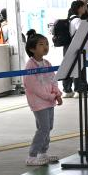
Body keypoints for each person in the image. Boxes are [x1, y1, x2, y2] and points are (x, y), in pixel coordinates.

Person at [22, 33, 62, 166]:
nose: (45, 47)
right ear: (32, 49)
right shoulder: (30, 66)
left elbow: (53, 80)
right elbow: (33, 86)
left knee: (48, 127)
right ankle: (31, 156)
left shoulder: (47, 63)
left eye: (47, 44)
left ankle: (43, 153)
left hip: (49, 101)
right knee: (43, 128)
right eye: (41, 44)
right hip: (38, 103)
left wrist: (57, 94)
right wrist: (51, 96)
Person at [61, 0, 85, 97]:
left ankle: (67, 90)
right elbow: (81, 34)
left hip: (66, 47)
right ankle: (78, 90)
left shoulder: (69, 19)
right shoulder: (78, 20)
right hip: (75, 47)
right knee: (77, 68)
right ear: (79, 8)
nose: (85, 8)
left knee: (67, 68)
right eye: (83, 7)